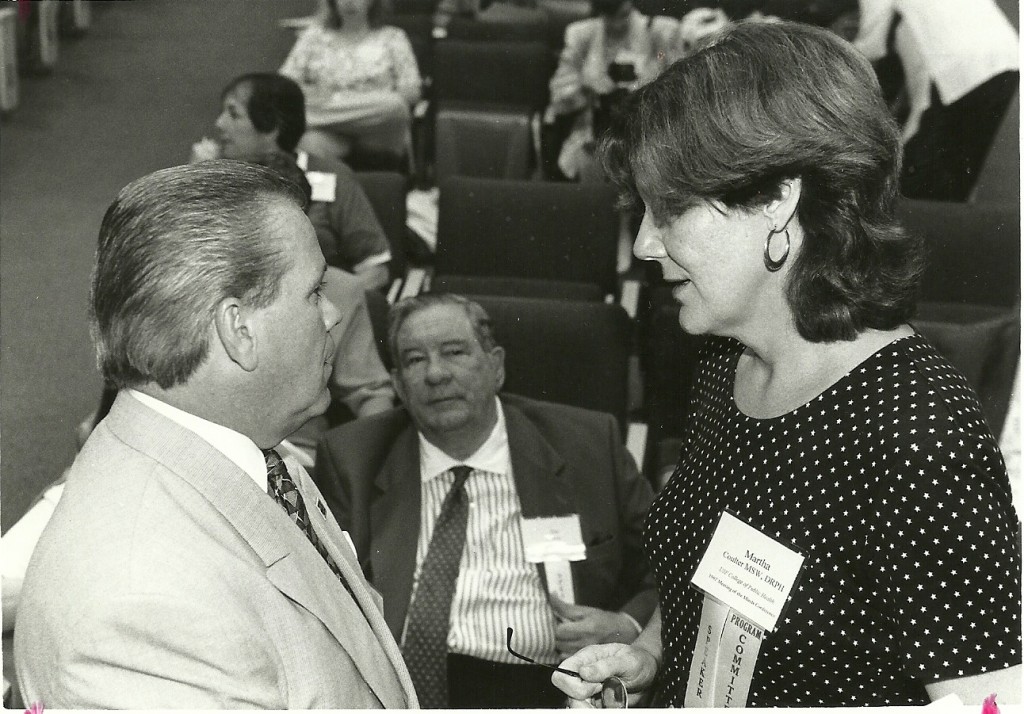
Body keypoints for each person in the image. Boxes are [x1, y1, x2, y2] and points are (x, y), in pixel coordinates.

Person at [552, 21, 1021, 707]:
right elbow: (715, 581)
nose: (646, 244)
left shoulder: (918, 437)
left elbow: (992, 698)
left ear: (779, 199)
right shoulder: (724, 361)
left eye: (672, 209)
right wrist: (650, 654)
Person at [13, 161, 418, 708]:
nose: (333, 316)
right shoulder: (144, 609)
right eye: (314, 291)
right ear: (238, 330)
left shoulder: (248, 449)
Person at [315, 292, 657, 708]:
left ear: (496, 366)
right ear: (399, 386)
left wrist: (626, 624)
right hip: (404, 688)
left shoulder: (587, 444)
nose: (435, 374)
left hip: (548, 685)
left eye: (454, 352)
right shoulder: (352, 459)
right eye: (414, 360)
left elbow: (667, 568)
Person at [191, 72, 393, 290]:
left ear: (271, 127)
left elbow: (376, 271)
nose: (219, 123)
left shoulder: (332, 176)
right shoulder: (215, 174)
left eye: (233, 114)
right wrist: (195, 179)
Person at [852, 0, 1019, 201]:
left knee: (923, 182)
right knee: (959, 174)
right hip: (1009, 61)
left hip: (962, 72)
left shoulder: (906, 32)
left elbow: (871, 45)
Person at [547, 0, 679, 183]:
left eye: (623, 15)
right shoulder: (581, 34)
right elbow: (558, 99)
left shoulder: (660, 31)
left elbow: (680, 94)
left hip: (648, 138)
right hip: (593, 139)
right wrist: (586, 87)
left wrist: (642, 86)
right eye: (609, 15)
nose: (616, 24)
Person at [280, 0, 422, 166]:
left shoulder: (393, 37)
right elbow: (284, 85)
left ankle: (304, 119)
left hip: (377, 130)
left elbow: (412, 92)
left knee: (395, 105)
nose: (349, 2)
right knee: (308, 143)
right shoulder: (314, 37)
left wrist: (349, 102)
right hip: (329, 131)